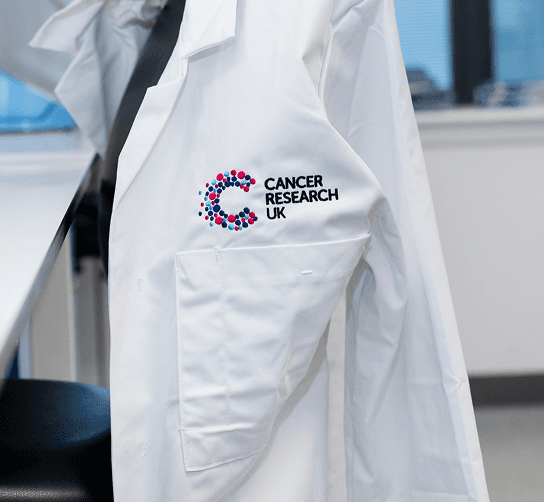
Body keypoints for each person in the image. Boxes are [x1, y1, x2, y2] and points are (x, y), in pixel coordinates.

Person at [35, 0, 490, 500]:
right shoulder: (152, 13)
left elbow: (403, 261)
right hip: (176, 338)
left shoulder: (323, 13)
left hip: (247, 411)